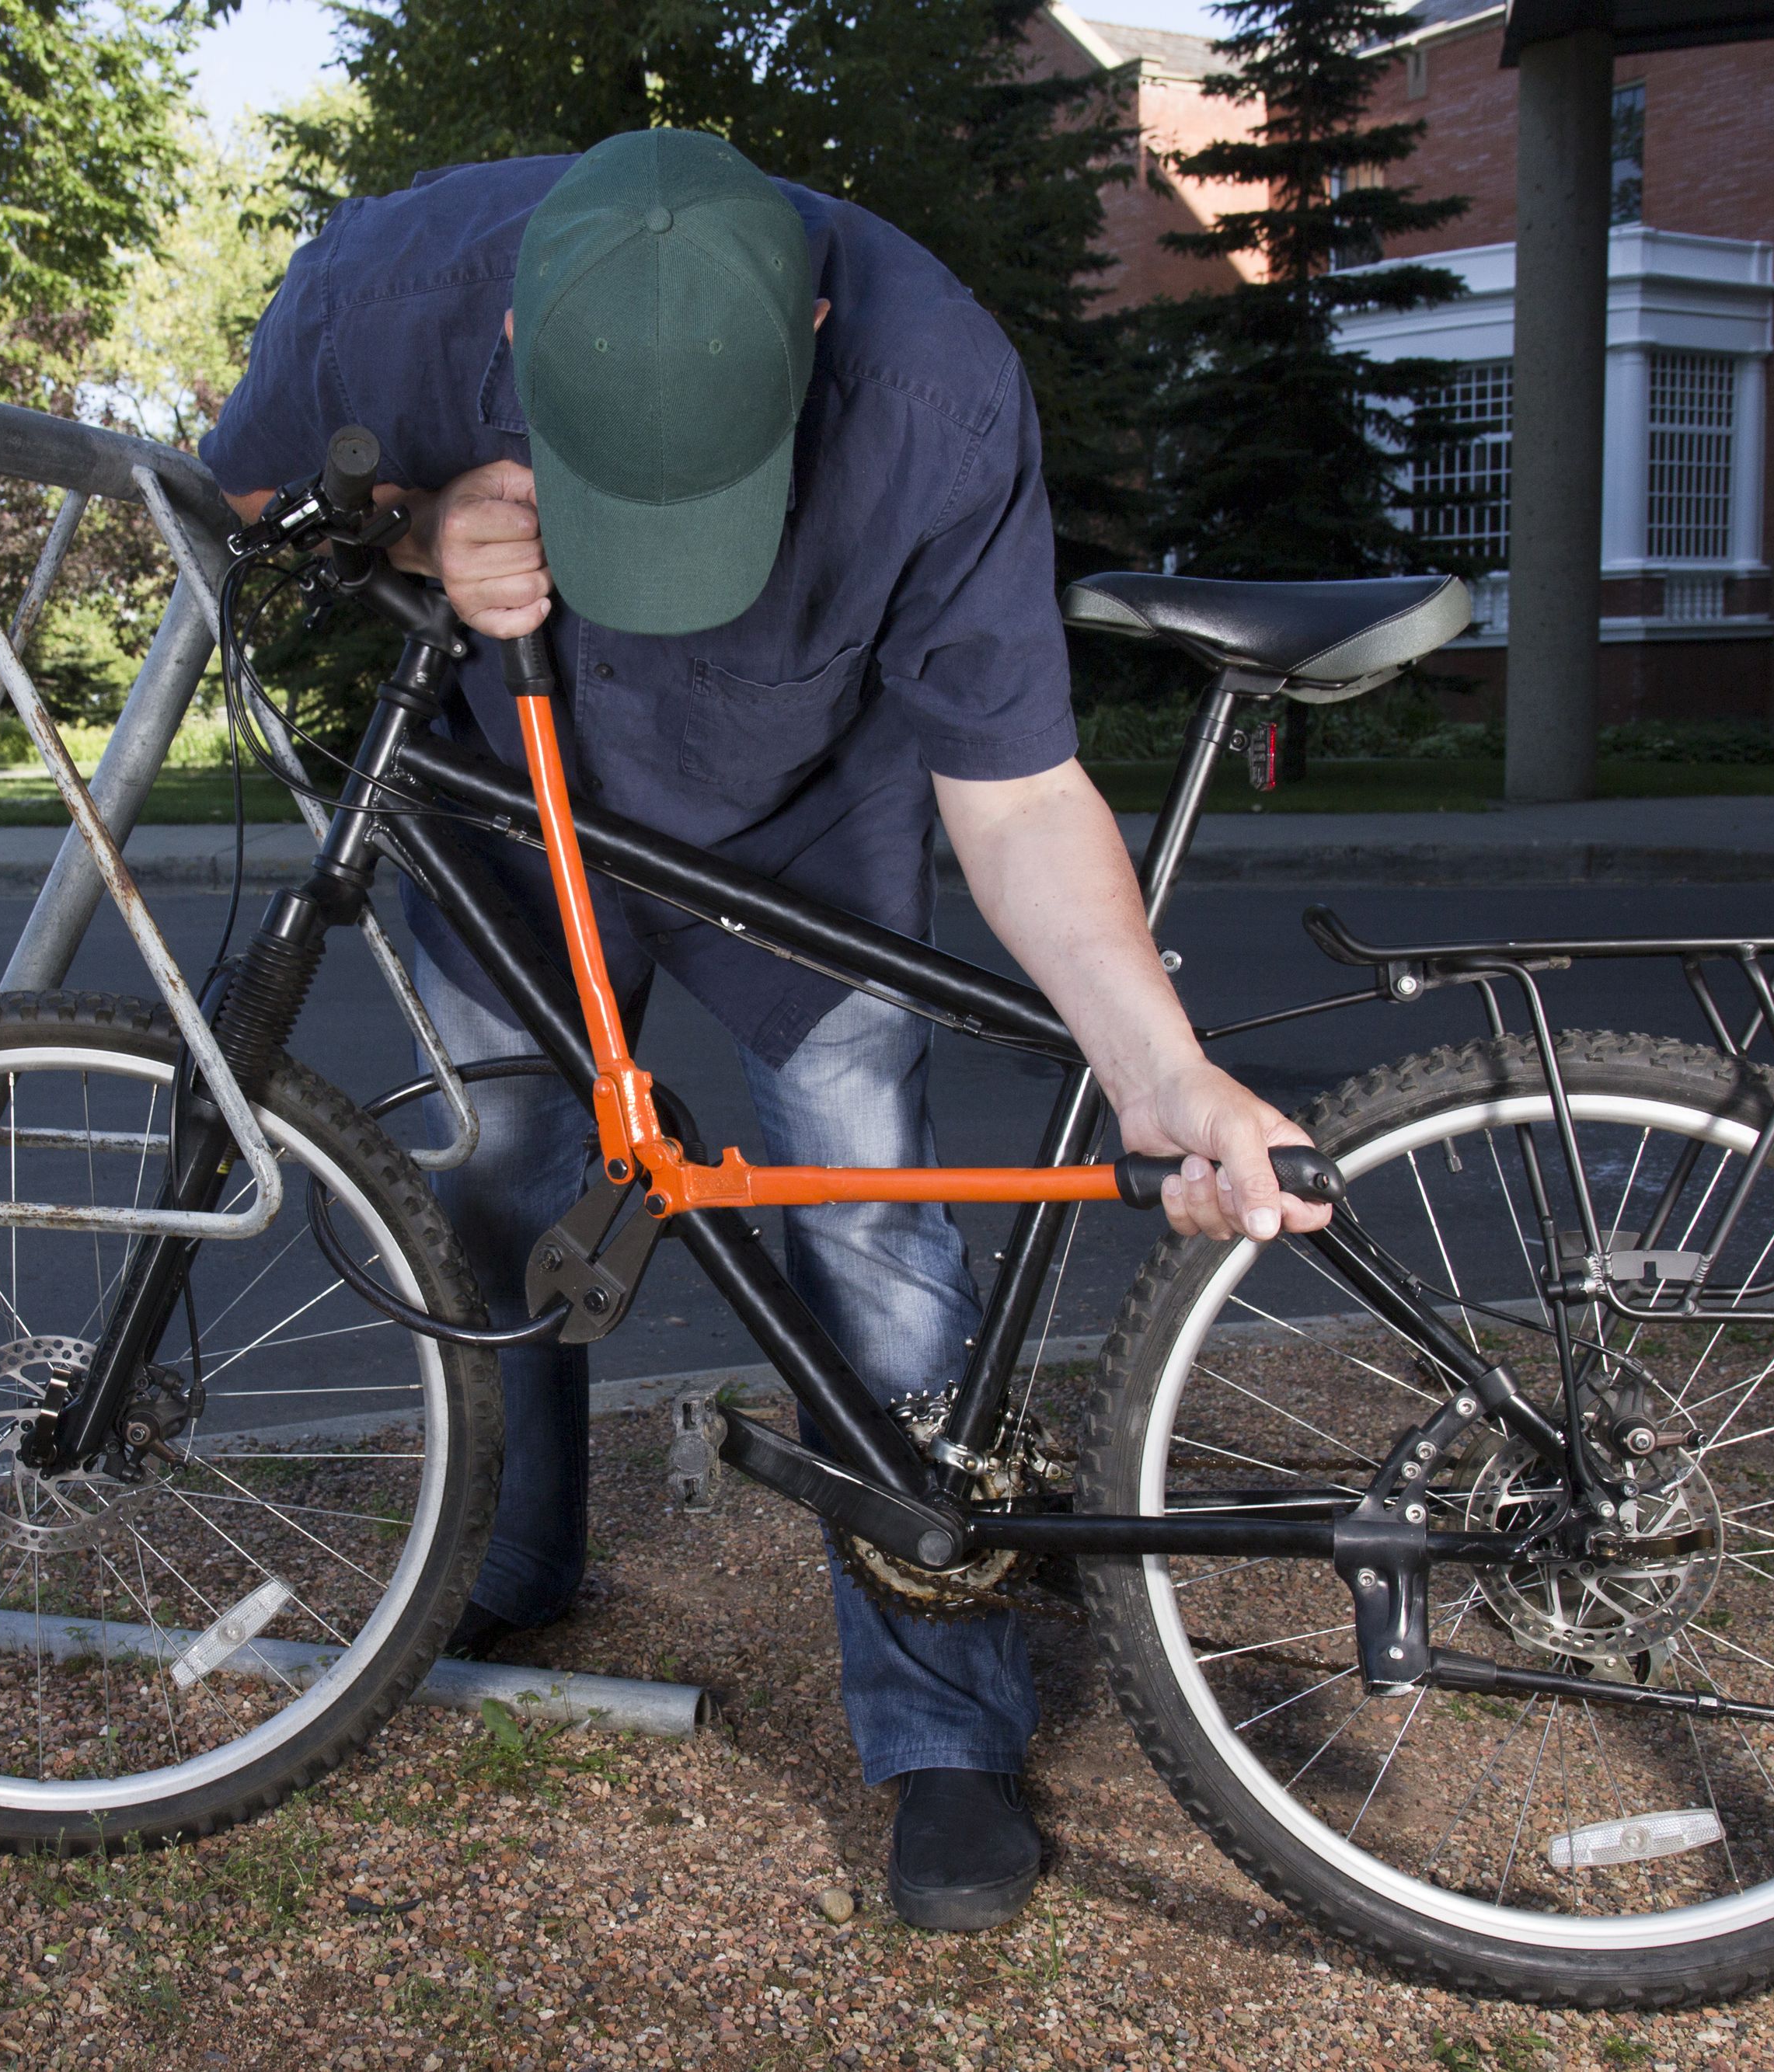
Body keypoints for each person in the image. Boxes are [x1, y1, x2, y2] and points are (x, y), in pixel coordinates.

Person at [203, 128, 1332, 1934]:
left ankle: (939, 1724)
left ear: (808, 322)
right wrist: (418, 523)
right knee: (502, 1177)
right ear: (505, 325)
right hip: (515, 806)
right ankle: (509, 1559)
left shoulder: (935, 381)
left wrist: (1155, 1068)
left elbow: (1022, 787)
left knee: (867, 1223)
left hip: (809, 815)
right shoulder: (385, 290)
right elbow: (232, 507)